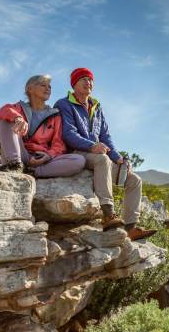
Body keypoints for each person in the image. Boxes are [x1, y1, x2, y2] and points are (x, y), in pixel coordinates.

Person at [55, 68, 156, 241]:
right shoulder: (64, 104)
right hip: (77, 154)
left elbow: (105, 136)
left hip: (98, 156)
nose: (88, 82)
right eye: (83, 79)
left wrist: (118, 157)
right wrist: (92, 146)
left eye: (90, 80)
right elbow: (68, 134)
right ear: (74, 83)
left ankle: (131, 227)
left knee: (134, 180)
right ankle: (108, 214)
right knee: (102, 159)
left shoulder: (97, 107)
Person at [0, 74, 86, 178]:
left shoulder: (55, 115)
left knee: (78, 160)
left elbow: (59, 145)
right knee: (6, 120)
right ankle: (15, 165)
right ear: (30, 89)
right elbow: (4, 110)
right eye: (43, 85)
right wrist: (17, 117)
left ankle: (32, 172)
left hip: (42, 159)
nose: (48, 89)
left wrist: (48, 155)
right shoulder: (19, 107)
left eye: (49, 87)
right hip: (21, 154)